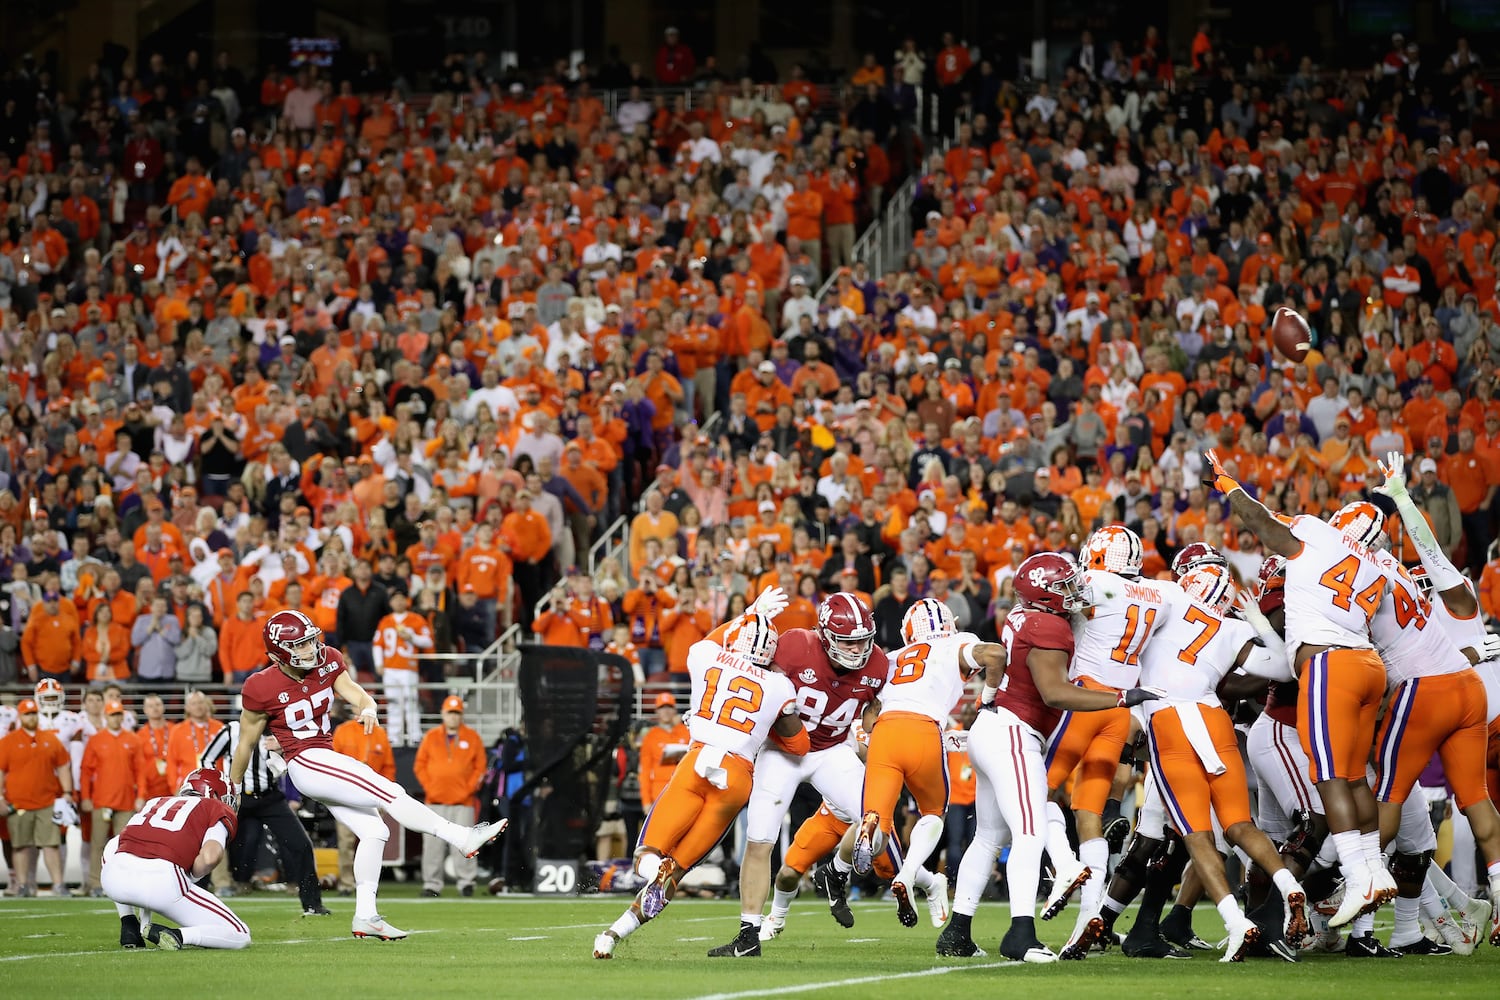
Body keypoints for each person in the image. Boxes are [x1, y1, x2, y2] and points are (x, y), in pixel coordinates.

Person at [935, 555, 1162, 962]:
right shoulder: (1048, 624)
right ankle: (1020, 934)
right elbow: (1055, 692)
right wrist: (1121, 697)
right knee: (1028, 833)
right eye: (1065, 587)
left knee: (988, 837)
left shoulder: (1025, 616)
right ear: (1045, 593)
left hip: (995, 727)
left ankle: (957, 932)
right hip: (1014, 733)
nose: (1074, 593)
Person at [1206, 450, 1398, 928]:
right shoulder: (1378, 566)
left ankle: (1357, 878)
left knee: (1330, 776)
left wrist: (1227, 482)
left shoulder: (1318, 532)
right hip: (1369, 664)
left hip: (1328, 663)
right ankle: (1373, 867)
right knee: (1356, 777)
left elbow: (1258, 519)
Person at [230, 609, 507, 940]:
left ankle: (366, 915)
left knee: (375, 830)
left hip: (322, 758)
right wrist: (234, 786)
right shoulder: (260, 686)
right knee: (390, 792)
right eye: (300, 645)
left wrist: (370, 707)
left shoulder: (328, 659)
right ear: (278, 653)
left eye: (309, 641)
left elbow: (356, 693)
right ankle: (461, 837)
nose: (310, 649)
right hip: (305, 760)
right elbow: (246, 744)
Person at [710, 592, 946, 957]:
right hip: (782, 750)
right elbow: (746, 671)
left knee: (877, 827)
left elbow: (876, 712)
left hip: (834, 750)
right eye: (847, 642)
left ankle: (843, 870)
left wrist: (875, 742)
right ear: (823, 635)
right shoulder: (793, 646)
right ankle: (748, 935)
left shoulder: (879, 664)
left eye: (862, 641)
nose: (856, 651)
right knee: (760, 839)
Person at [593, 605, 806, 959]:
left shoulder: (708, 656)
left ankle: (650, 875)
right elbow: (800, 745)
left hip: (697, 763)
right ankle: (614, 933)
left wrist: (747, 613)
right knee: (674, 873)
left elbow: (711, 640)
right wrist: (762, 731)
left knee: (647, 855)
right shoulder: (779, 684)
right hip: (736, 777)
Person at [102, 767, 251, 950]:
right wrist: (190, 877)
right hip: (161, 883)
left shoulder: (156, 802)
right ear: (215, 794)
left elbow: (113, 846)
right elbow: (211, 857)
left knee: (116, 847)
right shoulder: (215, 807)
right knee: (240, 934)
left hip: (114, 878)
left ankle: (129, 923)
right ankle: (177, 935)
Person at [202, 708, 328, 916]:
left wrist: (282, 750)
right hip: (237, 797)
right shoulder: (231, 731)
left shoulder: (280, 733)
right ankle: (192, 895)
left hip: (270, 797)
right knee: (210, 841)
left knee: (301, 844)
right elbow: (207, 759)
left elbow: (301, 760)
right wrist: (217, 789)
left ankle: (312, 904)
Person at [0, 697, 74, 896]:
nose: (31, 717)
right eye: (27, 713)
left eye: (34, 713)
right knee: (20, 845)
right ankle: (23, 885)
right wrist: (0, 798)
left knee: (51, 844)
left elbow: (63, 767)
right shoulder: (8, 741)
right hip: (18, 802)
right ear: (20, 716)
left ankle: (58, 884)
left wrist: (67, 792)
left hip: (47, 801)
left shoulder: (50, 739)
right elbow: (0, 771)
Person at [415, 696, 487, 897]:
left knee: (465, 843)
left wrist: (468, 789)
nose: (453, 717)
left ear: (461, 715)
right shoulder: (431, 737)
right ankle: (431, 884)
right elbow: (420, 765)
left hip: (463, 802)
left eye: (457, 713)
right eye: (450, 713)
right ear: (443, 714)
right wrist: (430, 787)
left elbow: (480, 768)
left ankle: (466, 882)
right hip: (435, 801)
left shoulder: (472, 737)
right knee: (432, 847)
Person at [80, 698, 147, 896]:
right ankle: (94, 884)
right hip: (102, 801)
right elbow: (85, 771)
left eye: (119, 714)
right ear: (106, 716)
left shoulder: (133, 739)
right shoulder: (96, 740)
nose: (116, 718)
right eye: (112, 715)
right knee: (98, 844)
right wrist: (86, 797)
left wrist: (140, 795)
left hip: (126, 801)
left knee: (125, 846)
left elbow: (140, 770)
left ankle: (122, 884)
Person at [330, 700, 397, 897]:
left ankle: (369, 884)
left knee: (373, 841)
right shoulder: (343, 731)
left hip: (372, 796)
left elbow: (388, 767)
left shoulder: (380, 734)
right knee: (345, 842)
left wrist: (385, 795)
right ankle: (346, 883)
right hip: (346, 795)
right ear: (354, 709)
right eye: (361, 706)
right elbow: (333, 763)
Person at [373, 589, 432, 747]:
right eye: (395, 599)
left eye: (401, 599)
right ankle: (394, 737)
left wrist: (412, 637)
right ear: (390, 603)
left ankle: (415, 735)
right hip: (390, 668)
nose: (399, 602)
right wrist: (379, 663)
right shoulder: (385, 621)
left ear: (407, 601)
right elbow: (377, 644)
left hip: (408, 667)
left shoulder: (416, 619)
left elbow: (428, 641)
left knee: (410, 701)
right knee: (393, 703)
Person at [637, 692, 689, 815]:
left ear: (674, 710)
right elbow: (645, 771)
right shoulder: (650, 736)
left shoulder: (686, 731)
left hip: (685, 789)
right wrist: (646, 801)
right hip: (659, 793)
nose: (666, 711)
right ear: (657, 711)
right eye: (662, 708)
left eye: (669, 707)